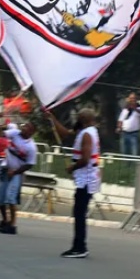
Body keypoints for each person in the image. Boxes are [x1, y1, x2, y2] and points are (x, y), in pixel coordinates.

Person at [46, 107, 100, 257]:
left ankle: (80, 247)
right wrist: (52, 119)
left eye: (79, 117)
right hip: (84, 177)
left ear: (83, 119)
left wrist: (72, 167)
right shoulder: (86, 131)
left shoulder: (88, 134)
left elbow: (85, 158)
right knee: (78, 212)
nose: (77, 118)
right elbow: (65, 134)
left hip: (86, 178)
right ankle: (78, 245)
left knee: (79, 213)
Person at [0, 122, 37, 236]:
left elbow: (30, 164)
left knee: (10, 198)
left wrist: (15, 172)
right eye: (24, 126)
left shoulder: (31, 147)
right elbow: (2, 134)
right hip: (6, 169)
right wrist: (0, 124)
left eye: (27, 127)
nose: (24, 128)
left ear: (32, 132)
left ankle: (13, 225)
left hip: (17, 173)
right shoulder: (15, 134)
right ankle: (4, 221)